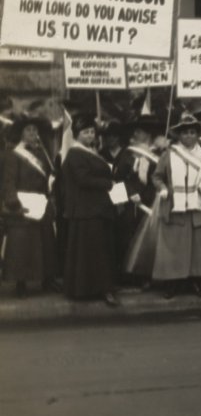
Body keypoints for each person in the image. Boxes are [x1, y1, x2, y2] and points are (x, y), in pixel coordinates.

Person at [150, 112, 201, 299]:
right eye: (185, 133)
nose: (189, 136)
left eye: (192, 132)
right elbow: (157, 176)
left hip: (195, 206)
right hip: (175, 206)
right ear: (179, 135)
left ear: (197, 135)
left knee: (197, 247)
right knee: (174, 247)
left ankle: (196, 282)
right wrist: (162, 188)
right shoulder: (169, 154)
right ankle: (173, 283)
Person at [61, 114, 120, 306]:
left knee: (95, 250)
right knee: (93, 251)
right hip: (87, 209)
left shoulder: (91, 151)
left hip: (95, 207)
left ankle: (95, 287)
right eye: (85, 132)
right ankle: (95, 288)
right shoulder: (75, 154)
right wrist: (108, 183)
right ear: (77, 135)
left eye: (92, 132)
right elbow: (83, 179)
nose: (90, 135)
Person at [2, 116, 58, 297]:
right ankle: (21, 282)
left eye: (35, 130)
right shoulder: (12, 155)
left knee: (45, 241)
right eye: (29, 130)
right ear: (21, 134)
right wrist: (13, 202)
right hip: (23, 202)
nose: (33, 134)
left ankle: (47, 279)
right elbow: (8, 181)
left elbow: (47, 176)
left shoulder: (44, 154)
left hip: (41, 201)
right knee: (22, 245)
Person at [113, 114, 162, 283]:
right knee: (127, 236)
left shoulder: (159, 154)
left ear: (148, 134)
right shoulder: (127, 153)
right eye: (136, 131)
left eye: (140, 131)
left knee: (148, 238)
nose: (136, 134)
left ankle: (144, 275)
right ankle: (125, 275)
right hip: (129, 201)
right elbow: (117, 177)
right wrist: (125, 196)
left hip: (150, 202)